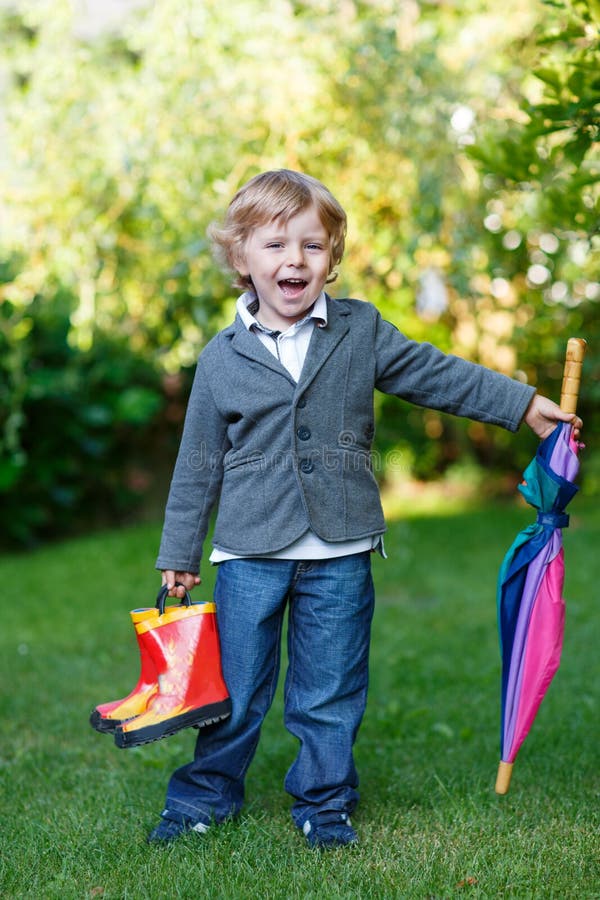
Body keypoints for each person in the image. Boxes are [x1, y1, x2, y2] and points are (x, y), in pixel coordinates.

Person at [149, 169, 582, 849]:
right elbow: (197, 466)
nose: (294, 260)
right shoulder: (221, 358)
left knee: (330, 690)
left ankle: (324, 802)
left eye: (312, 246)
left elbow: (437, 374)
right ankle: (204, 796)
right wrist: (179, 556)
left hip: (340, 548)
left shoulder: (359, 330)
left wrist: (521, 404)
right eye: (274, 245)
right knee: (232, 691)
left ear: (333, 258)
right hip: (250, 553)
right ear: (240, 258)